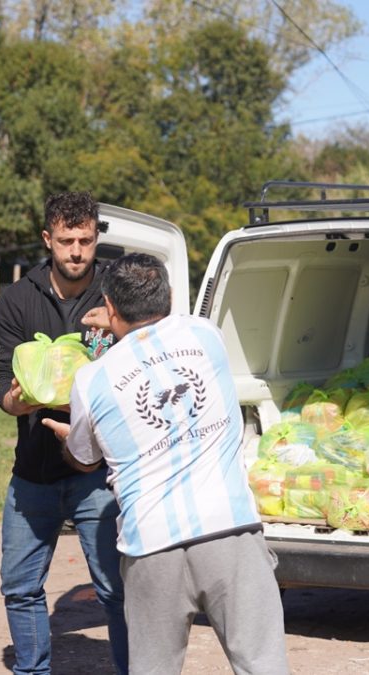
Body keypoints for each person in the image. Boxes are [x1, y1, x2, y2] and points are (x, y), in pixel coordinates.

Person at [42, 252, 290, 675]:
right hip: (228, 528)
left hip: (150, 544)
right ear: (170, 297)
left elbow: (84, 460)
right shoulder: (205, 335)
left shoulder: (93, 379)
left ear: (110, 306)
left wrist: (69, 440)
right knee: (262, 665)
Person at [0, 191, 127, 675]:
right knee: (20, 586)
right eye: (66, 240)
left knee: (116, 590)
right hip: (35, 472)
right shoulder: (16, 301)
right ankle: (32, 670)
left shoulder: (117, 297)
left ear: (96, 239)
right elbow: (1, 382)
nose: (75, 251)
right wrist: (22, 399)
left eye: (85, 241)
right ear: (48, 239)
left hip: (101, 474)